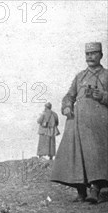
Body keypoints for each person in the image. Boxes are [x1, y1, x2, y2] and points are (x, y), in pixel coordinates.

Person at [51, 42, 108, 203]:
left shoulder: (106, 75)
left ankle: (95, 190)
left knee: (96, 155)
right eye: (88, 54)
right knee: (75, 155)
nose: (90, 57)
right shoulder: (80, 76)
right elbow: (69, 95)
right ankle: (81, 191)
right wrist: (67, 106)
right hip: (77, 122)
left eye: (94, 53)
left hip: (99, 123)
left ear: (101, 55)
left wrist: (103, 96)